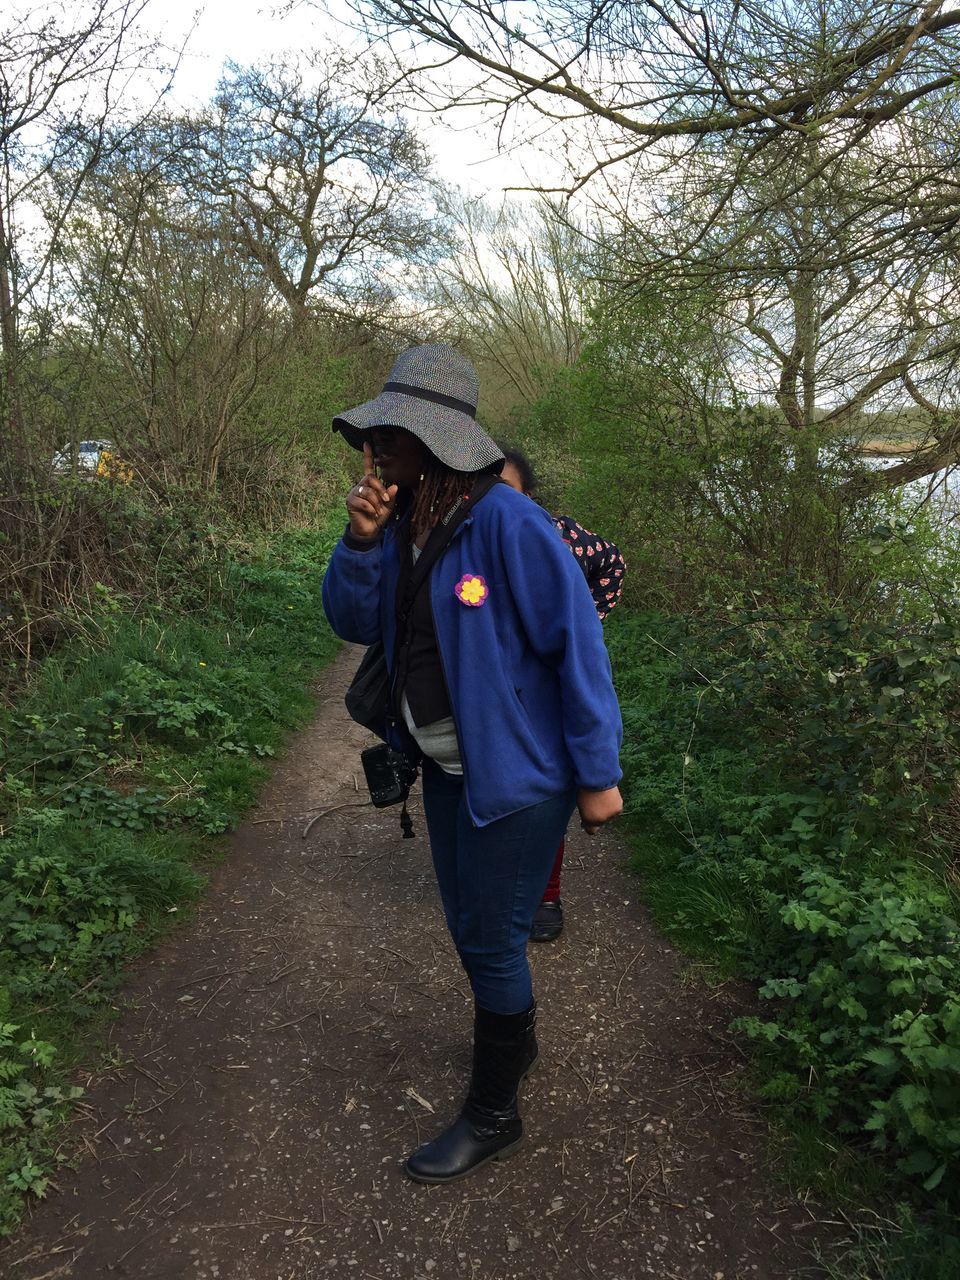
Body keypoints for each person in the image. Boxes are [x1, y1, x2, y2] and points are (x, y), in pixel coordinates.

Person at [322, 344, 623, 1184]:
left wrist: (598, 775)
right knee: (468, 928)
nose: (378, 444)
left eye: (396, 430)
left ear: (442, 438)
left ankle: (495, 1111)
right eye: (377, 429)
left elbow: (577, 647)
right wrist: (358, 541)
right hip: (449, 769)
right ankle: (513, 1042)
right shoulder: (404, 519)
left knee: (491, 940)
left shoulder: (508, 523)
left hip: (519, 778)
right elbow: (350, 622)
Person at [499, 448, 626, 942]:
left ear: (529, 496)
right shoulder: (464, 537)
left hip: (547, 682)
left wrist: (589, 617)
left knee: (543, 790)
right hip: (492, 688)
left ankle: (545, 892)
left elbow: (613, 563)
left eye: (507, 490)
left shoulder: (560, 536)